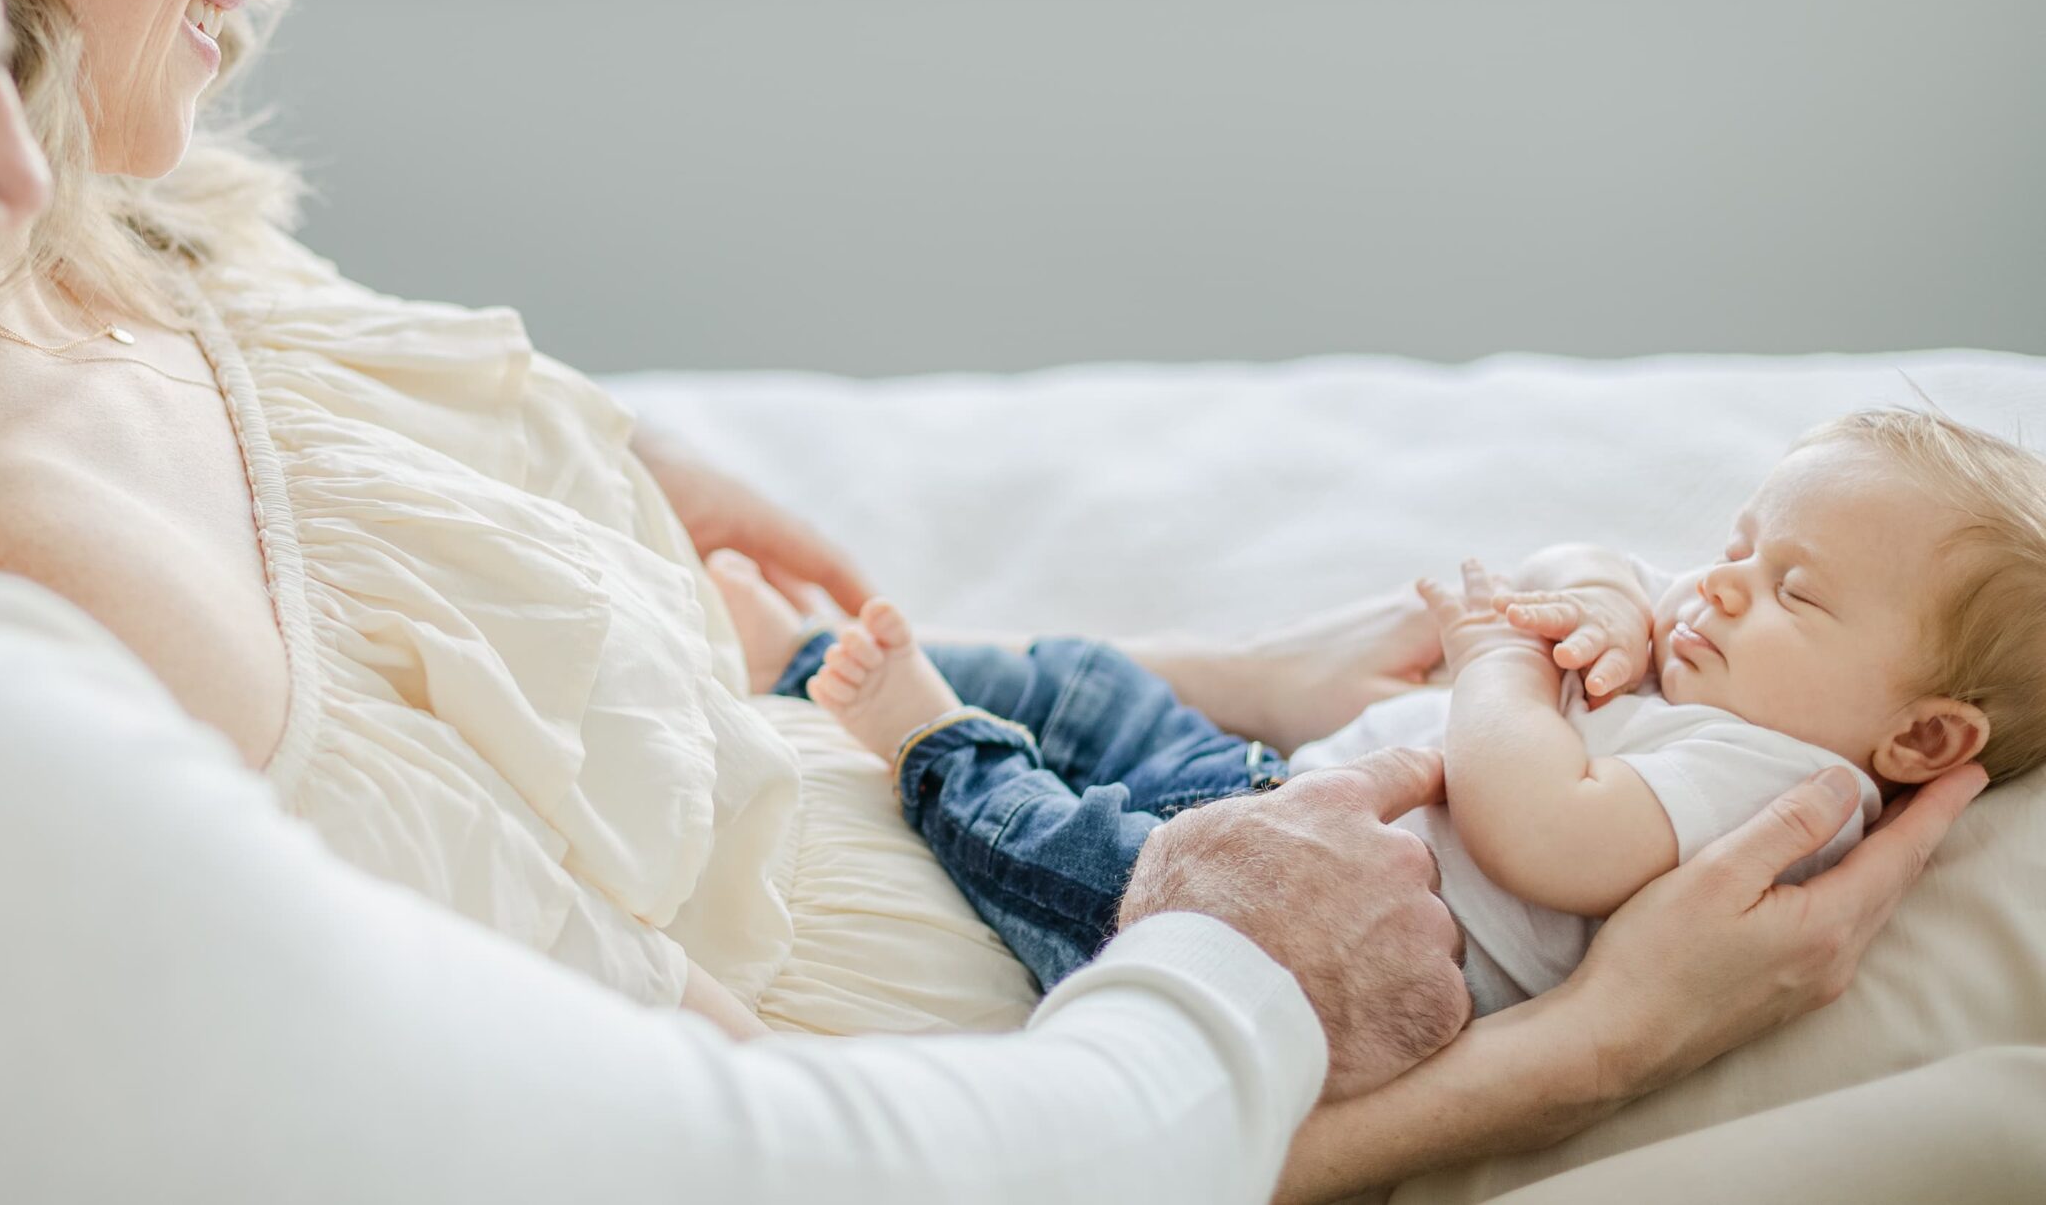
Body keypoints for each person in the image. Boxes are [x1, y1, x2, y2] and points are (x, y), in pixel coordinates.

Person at [0, 0, 1988, 1192]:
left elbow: (704, 653)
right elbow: (777, 1165)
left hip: (1046, 839)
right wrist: (1577, 1063)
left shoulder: (140, 218)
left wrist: (1245, 680)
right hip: (1104, 1068)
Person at [715, 407, 2022, 1007]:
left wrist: (1501, 665)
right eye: (1741, 542)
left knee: (1053, 844)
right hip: (1270, 787)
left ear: (1917, 737)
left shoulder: (1786, 788)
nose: (1724, 587)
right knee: (1104, 687)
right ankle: (803, 653)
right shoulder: (1719, 654)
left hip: (1272, 943)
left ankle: (928, 741)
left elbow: (1545, 835)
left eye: (1792, 588)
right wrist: (1604, 595)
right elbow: (1583, 561)